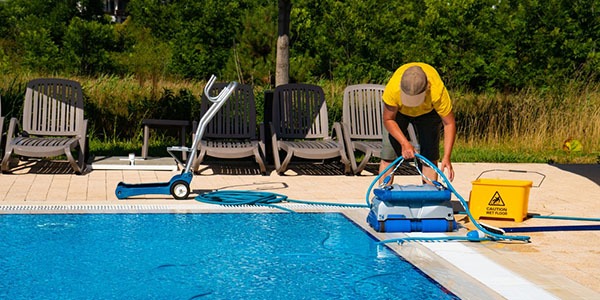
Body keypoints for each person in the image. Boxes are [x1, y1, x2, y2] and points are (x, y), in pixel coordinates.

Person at [379, 62, 456, 184]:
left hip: (428, 113)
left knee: (429, 159)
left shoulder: (437, 91)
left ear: (427, 88)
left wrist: (447, 156)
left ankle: (429, 197)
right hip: (398, 113)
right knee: (388, 156)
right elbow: (388, 119)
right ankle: (383, 197)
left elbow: (449, 123)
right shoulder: (393, 89)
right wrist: (404, 143)